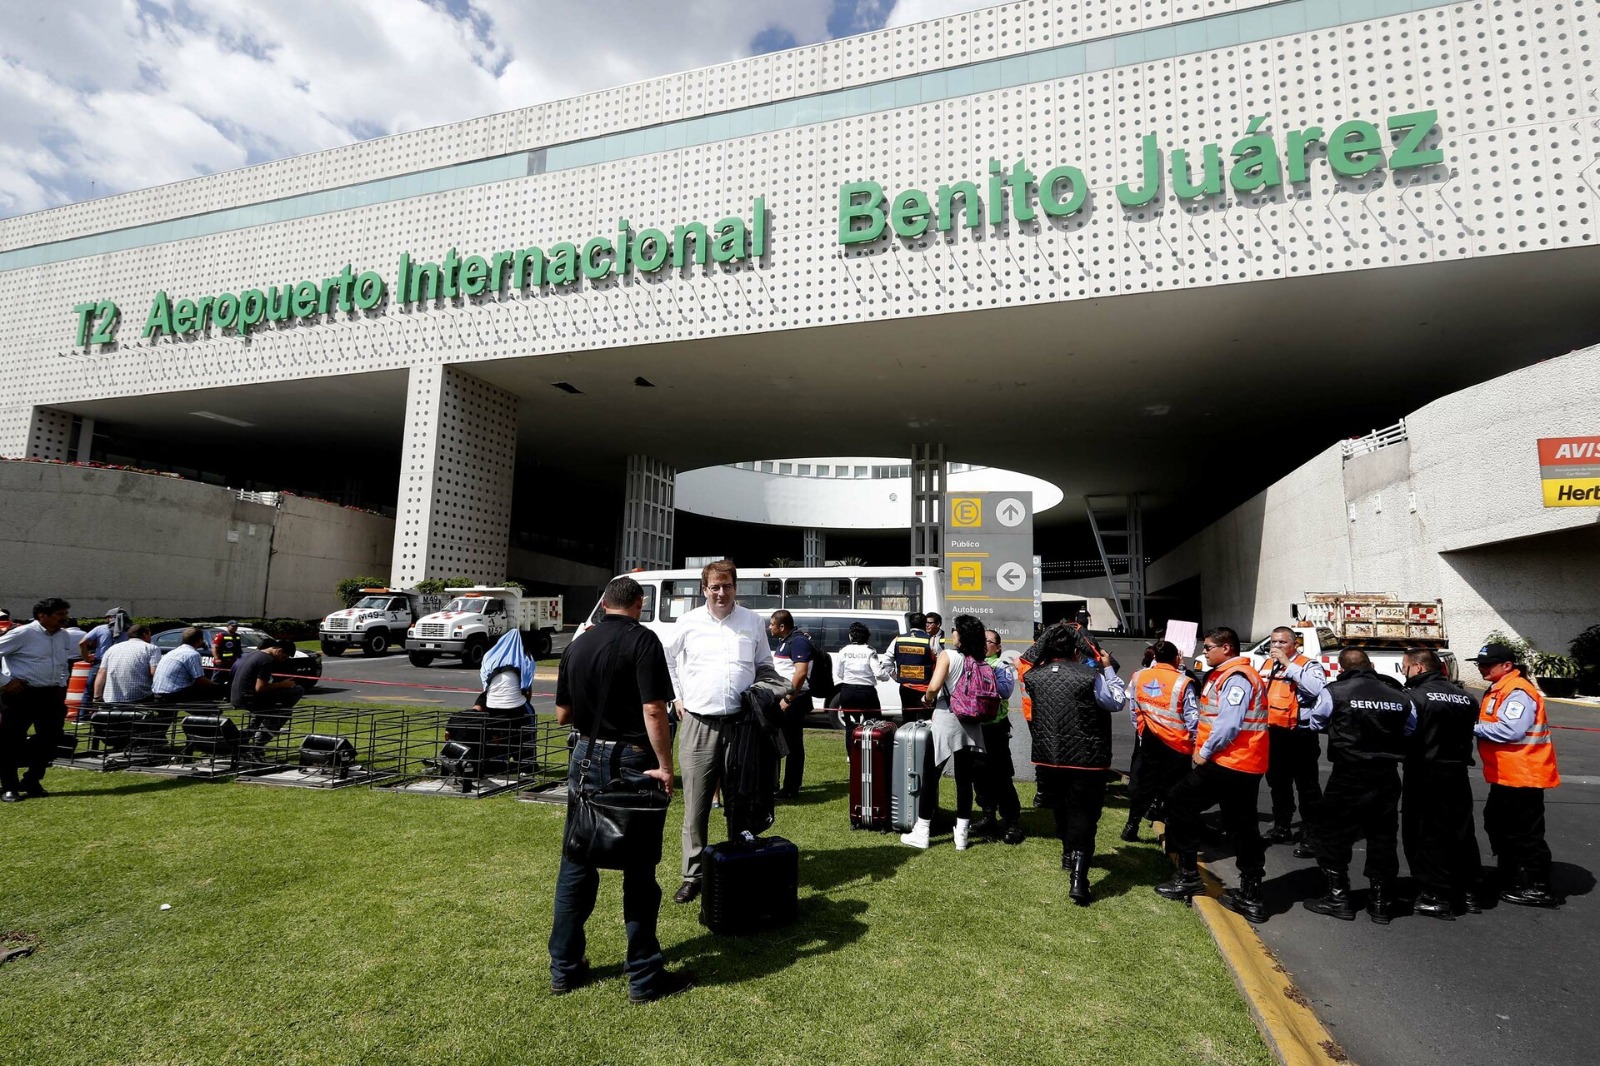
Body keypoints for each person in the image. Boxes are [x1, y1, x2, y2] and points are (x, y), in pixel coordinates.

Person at [549, 576, 693, 1004]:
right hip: (632, 759)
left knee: (576, 861)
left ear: (604, 604)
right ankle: (644, 975)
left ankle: (564, 968)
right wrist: (665, 765)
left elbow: (562, 715)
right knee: (640, 869)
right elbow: (654, 709)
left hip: (584, 756)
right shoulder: (643, 640)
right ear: (639, 603)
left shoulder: (577, 644)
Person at [662, 559, 785, 905]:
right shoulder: (688, 622)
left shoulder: (752, 621)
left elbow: (764, 665)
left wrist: (768, 692)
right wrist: (677, 697)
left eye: (727, 586)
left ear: (735, 588)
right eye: (714, 587)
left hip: (743, 727)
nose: (721, 592)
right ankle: (693, 876)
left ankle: (736, 864)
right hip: (698, 725)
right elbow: (667, 660)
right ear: (704, 589)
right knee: (696, 806)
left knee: (741, 802)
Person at [1153, 627, 1271, 924]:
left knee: (1179, 801)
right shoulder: (1229, 675)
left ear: (1226, 648)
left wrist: (1204, 752)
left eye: (1208, 647)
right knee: (1241, 825)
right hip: (1242, 763)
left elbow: (1229, 724)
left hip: (1229, 762)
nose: (1203, 652)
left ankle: (1188, 876)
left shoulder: (1237, 678)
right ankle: (1251, 894)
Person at [1019, 621, 1127, 903]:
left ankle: (1068, 852)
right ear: (1076, 651)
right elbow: (1116, 701)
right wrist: (1107, 668)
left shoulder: (1033, 676)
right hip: (1086, 758)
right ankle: (1079, 878)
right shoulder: (1091, 676)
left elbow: (1029, 660)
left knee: (1061, 808)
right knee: (1085, 815)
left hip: (1048, 757)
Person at [1301, 649, 1411, 924]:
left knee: (1333, 833)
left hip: (1348, 773)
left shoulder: (1335, 691)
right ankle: (1381, 902)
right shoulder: (1398, 694)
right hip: (1386, 774)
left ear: (1341, 668)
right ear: (1371, 665)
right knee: (1382, 835)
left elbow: (1316, 721)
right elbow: (1409, 728)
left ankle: (1338, 897)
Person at [1472, 641, 1562, 907]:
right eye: (1480, 664)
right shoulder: (1500, 688)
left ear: (1507, 665)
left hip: (1524, 776)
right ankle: (1509, 874)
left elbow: (1511, 731)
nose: (1482, 668)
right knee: (1497, 824)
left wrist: (1471, 727)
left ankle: (1539, 886)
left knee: (1524, 832)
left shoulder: (1518, 691)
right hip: (1507, 774)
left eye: (1488, 664)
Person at [1400, 647, 1486, 918]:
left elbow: (1405, 733)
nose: (1404, 672)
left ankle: (1435, 895)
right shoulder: (1466, 697)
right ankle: (1469, 892)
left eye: (1404, 667)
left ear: (1418, 667)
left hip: (1424, 772)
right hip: (1458, 772)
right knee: (1461, 832)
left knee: (1425, 833)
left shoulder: (1413, 697)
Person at [900, 614, 990, 851]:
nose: (952, 633)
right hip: (971, 722)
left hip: (947, 719)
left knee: (931, 775)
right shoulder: (979, 660)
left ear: (961, 634)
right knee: (964, 780)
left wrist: (927, 698)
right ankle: (962, 834)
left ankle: (922, 830)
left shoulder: (948, 655)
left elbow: (934, 686)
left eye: (955, 629)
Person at [1120, 640, 1198, 842]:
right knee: (1175, 789)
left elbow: (1134, 709)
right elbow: (1192, 718)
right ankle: (1172, 831)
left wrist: (1141, 733)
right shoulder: (1182, 682)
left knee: (1145, 785)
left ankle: (1131, 826)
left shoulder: (1139, 676)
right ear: (1176, 658)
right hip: (1177, 744)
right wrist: (1197, 743)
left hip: (1149, 739)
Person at [0, 598, 76, 802]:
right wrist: (6, 682)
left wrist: (62, 684)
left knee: (51, 738)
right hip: (21, 694)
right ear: (42, 616)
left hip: (50, 694)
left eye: (65, 614)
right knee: (11, 741)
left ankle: (32, 779)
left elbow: (62, 663)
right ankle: (9, 787)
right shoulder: (23, 633)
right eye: (60, 614)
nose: (65, 618)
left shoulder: (63, 636)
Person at [1260, 626, 1327, 854]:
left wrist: (1289, 665)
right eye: (1273, 642)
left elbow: (1318, 689)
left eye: (1282, 642)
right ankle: (1282, 827)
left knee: (1307, 786)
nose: (1277, 646)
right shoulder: (1267, 665)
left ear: (1294, 644)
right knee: (1278, 783)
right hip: (1274, 734)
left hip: (1300, 735)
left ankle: (1312, 833)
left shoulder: (1308, 665)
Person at [972, 629, 1024, 845]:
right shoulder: (971, 663)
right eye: (981, 640)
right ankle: (988, 815)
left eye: (988, 641)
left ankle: (1012, 821)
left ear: (998, 647)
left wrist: (983, 677)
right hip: (976, 728)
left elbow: (1005, 691)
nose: (984, 644)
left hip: (995, 729)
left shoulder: (1001, 666)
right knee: (979, 775)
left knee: (1001, 776)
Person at [767, 609, 815, 799]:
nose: (769, 627)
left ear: (782, 626)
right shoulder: (785, 641)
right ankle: (774, 784)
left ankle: (791, 788)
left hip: (794, 700)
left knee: (793, 745)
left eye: (772, 624)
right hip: (782, 697)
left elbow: (801, 673)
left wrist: (788, 699)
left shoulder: (798, 641)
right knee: (776, 741)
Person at [230, 639, 304, 752]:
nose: (283, 660)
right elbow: (260, 688)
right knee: (294, 696)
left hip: (237, 697)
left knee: (261, 716)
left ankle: (244, 738)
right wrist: (283, 685)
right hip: (250, 699)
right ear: (279, 651)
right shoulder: (266, 660)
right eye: (285, 657)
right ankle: (258, 746)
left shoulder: (253, 655)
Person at [833, 621, 890, 748]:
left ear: (850, 636)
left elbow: (839, 673)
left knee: (850, 726)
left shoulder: (843, 650)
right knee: (874, 725)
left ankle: (851, 754)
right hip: (866, 692)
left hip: (848, 691)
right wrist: (886, 676)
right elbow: (879, 673)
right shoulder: (870, 651)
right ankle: (872, 752)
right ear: (867, 637)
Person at [92, 624, 163, 704]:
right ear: (145, 634)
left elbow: (101, 672)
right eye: (150, 634)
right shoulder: (151, 648)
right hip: (139, 696)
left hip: (112, 698)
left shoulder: (112, 649)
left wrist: (97, 696)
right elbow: (154, 673)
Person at [151, 627, 222, 703]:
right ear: (199, 640)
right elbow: (200, 680)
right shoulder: (192, 654)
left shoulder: (172, 652)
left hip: (157, 691)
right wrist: (217, 685)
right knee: (214, 690)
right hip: (172, 694)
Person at [78, 607, 131, 704]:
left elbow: (82, 643)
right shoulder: (128, 631)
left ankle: (84, 712)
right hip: (120, 663)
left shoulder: (100, 629)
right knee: (116, 689)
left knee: (90, 690)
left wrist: (86, 658)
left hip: (100, 663)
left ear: (110, 618)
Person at [889, 613, 937, 720]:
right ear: (925, 624)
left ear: (910, 624)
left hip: (906, 687)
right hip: (925, 689)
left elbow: (886, 660)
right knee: (927, 722)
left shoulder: (898, 639)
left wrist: (895, 676)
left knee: (908, 720)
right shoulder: (931, 640)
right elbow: (938, 662)